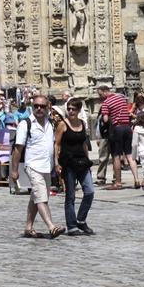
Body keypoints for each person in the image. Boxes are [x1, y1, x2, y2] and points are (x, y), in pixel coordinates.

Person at [12, 94, 64, 239]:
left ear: (48, 107)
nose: (39, 109)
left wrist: (56, 163)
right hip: (33, 165)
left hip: (47, 166)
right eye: (36, 106)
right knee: (42, 198)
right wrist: (14, 170)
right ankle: (51, 227)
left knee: (37, 196)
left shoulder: (51, 123)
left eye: (42, 106)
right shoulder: (26, 124)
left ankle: (28, 227)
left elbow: (54, 145)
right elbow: (18, 149)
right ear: (32, 107)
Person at [54, 98, 95, 236]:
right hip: (68, 163)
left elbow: (84, 143)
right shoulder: (62, 124)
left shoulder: (83, 124)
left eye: (74, 109)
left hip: (82, 162)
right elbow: (57, 144)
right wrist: (56, 162)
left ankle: (81, 220)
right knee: (70, 195)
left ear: (79, 110)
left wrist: (88, 161)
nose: (71, 111)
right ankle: (71, 226)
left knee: (89, 192)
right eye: (69, 108)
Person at [98, 84, 133, 190]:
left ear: (104, 91)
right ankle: (137, 179)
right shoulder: (121, 99)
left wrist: (111, 120)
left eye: (100, 94)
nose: (100, 97)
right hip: (127, 128)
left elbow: (105, 119)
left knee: (116, 156)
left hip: (116, 129)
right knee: (129, 156)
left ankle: (117, 182)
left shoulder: (106, 102)